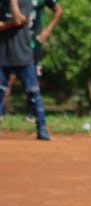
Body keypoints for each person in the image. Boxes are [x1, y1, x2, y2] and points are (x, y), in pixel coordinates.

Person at [1, 0, 62, 116]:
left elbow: (58, 10)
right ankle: (2, 111)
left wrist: (47, 31)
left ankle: (33, 114)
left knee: (33, 81)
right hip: (10, 43)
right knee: (7, 80)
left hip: (31, 43)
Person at [0, 0, 50, 139]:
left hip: (23, 55)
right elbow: (15, 22)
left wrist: (13, 4)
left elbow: (20, 20)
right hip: (3, 54)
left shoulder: (26, 2)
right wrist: (9, 24)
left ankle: (42, 128)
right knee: (0, 92)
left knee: (33, 93)